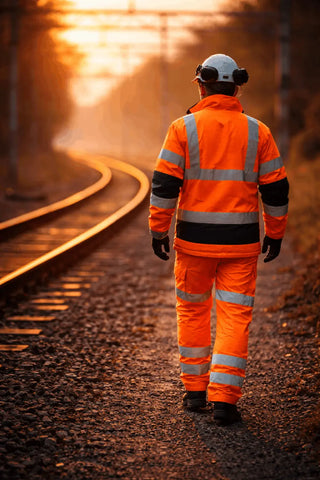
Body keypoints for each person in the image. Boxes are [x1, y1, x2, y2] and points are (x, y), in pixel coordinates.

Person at [148, 54, 289, 426]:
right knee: (234, 315)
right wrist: (274, 234)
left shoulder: (183, 128)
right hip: (241, 245)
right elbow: (276, 190)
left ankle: (195, 392)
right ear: (236, 87)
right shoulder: (259, 132)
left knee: (193, 311)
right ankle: (225, 399)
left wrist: (158, 228)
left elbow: (164, 185)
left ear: (201, 85)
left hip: (193, 243)